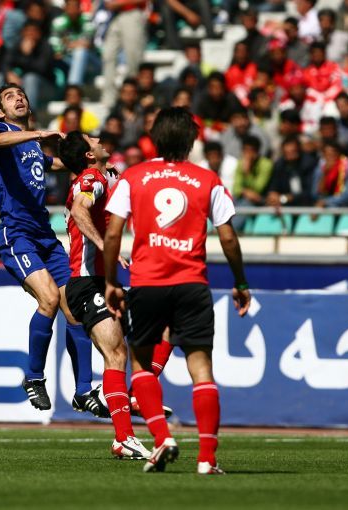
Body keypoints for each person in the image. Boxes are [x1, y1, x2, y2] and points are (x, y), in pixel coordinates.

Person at [103, 107, 251, 475]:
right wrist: (240, 282)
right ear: (192, 141)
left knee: (141, 365)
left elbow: (113, 232)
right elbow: (228, 238)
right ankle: (207, 459)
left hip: (147, 284)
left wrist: (110, 282)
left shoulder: (133, 177)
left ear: (154, 139)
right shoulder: (208, 179)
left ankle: (161, 437)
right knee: (201, 369)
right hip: (192, 284)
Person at [0, 83, 104, 415]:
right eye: (10, 97)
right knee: (49, 299)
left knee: (74, 309)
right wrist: (40, 133)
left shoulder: (34, 147)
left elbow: (59, 163)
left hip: (45, 236)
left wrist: (94, 163)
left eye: (21, 94)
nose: (19, 98)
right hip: (17, 234)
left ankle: (83, 390)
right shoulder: (1, 132)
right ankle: (34, 377)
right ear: (0, 112)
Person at [57, 131, 151, 459]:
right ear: (88, 155)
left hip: (105, 280)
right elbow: (80, 210)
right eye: (91, 139)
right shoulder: (91, 178)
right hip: (88, 282)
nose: (99, 138)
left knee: (161, 328)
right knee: (115, 353)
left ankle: (131, 398)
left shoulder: (107, 175)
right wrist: (104, 246)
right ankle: (123, 437)